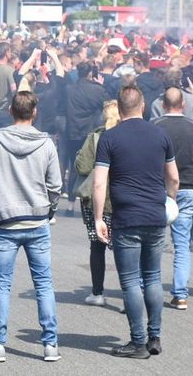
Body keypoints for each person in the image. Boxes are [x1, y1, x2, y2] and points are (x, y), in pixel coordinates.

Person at [0, 91, 62, 363]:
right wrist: (49, 209)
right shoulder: (46, 144)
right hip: (37, 219)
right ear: (34, 112)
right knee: (44, 284)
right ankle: (50, 344)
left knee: (2, 284)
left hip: (5, 221)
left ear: (10, 111)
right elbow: (55, 186)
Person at [92, 85, 179, 360]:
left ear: (118, 108)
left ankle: (138, 341)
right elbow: (174, 178)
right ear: (142, 106)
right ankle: (155, 336)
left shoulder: (109, 137)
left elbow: (98, 182)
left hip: (126, 216)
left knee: (130, 281)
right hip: (155, 215)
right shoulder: (160, 134)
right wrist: (170, 200)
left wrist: (97, 218)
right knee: (152, 276)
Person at [151, 86, 193, 310]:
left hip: (157, 189)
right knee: (182, 244)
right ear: (183, 104)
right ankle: (181, 294)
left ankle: (151, 290)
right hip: (187, 187)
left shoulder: (154, 126)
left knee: (153, 242)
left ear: (163, 105)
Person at [75, 101, 119, 307]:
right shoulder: (127, 137)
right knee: (124, 249)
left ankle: (97, 292)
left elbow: (82, 167)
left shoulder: (95, 137)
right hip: (121, 200)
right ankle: (129, 294)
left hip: (96, 201)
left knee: (97, 246)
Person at [65, 61, 111, 203]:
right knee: (91, 166)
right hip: (89, 133)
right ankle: (87, 200)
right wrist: (101, 86)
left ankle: (70, 204)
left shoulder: (69, 88)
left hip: (72, 131)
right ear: (91, 74)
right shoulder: (97, 90)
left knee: (74, 165)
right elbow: (109, 106)